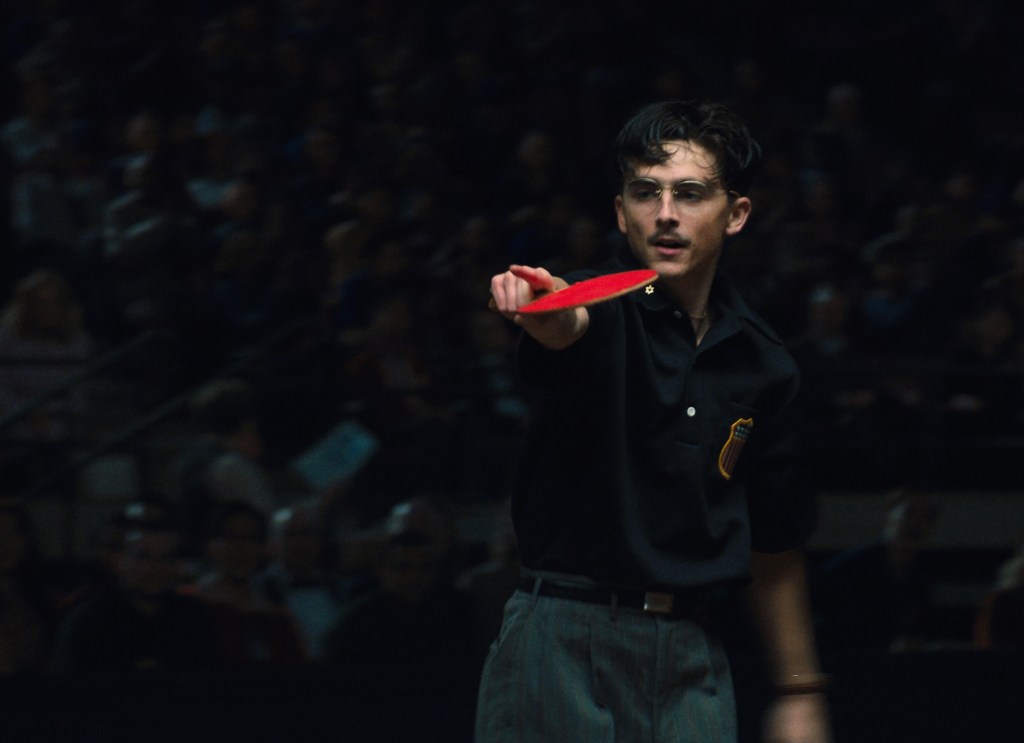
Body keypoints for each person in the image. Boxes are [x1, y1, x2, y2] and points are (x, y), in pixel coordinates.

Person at [480, 99, 831, 743]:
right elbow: (564, 325)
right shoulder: (595, 309)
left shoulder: (765, 363)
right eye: (646, 193)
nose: (665, 214)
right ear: (621, 212)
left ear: (736, 214)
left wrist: (798, 690)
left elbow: (775, 545)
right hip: (561, 636)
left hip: (690, 651)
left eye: (691, 194)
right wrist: (542, 309)